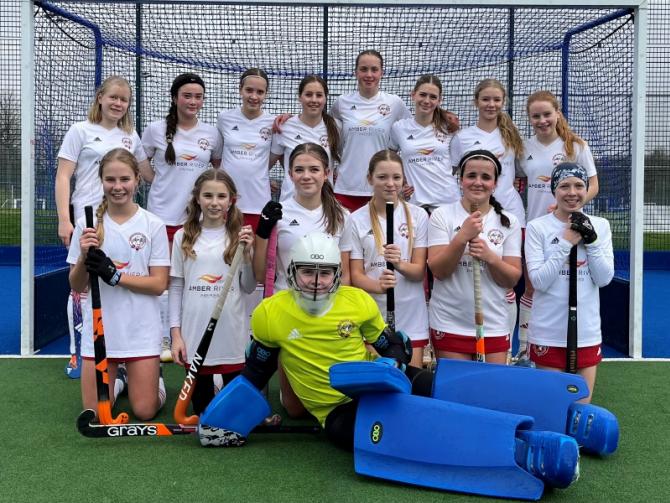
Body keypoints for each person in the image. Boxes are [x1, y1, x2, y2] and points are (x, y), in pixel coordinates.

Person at [55, 75, 148, 377]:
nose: (118, 104)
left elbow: (148, 173)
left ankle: (116, 353)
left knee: (116, 278)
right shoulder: (80, 130)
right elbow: (63, 176)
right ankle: (76, 353)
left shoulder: (131, 136)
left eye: (124, 100)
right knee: (80, 285)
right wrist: (65, 219)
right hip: (88, 218)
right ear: (100, 98)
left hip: (120, 219)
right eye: (113, 97)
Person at [67, 148, 169, 420]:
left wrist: (116, 276)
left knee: (145, 411)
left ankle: (154, 380)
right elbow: (77, 285)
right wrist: (84, 256)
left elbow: (159, 284)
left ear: (137, 179)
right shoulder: (86, 224)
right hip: (101, 331)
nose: (118, 186)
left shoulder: (153, 224)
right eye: (110, 179)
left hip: (140, 328)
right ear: (101, 181)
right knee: (96, 413)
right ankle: (121, 381)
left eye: (125, 179)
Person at [253, 142, 350, 417]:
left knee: (333, 400)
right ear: (290, 174)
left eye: (314, 169)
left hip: (327, 313)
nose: (306, 176)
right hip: (289, 311)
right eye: (299, 170)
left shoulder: (342, 216)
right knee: (295, 410)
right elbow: (260, 274)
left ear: (327, 173)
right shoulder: (278, 213)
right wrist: (262, 233)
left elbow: (345, 275)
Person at [141, 72, 223, 362]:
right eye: (187, 96)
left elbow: (216, 172)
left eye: (198, 96)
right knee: (162, 282)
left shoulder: (211, 134)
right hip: (162, 218)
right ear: (175, 98)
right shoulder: (155, 129)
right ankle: (161, 341)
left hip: (197, 222)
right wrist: (159, 182)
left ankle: (192, 339)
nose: (193, 101)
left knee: (196, 281)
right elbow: (140, 161)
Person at [516, 90, 600, 359]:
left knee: (569, 285)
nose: (542, 120)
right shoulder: (523, 148)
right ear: (529, 119)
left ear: (557, 114)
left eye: (547, 114)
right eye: (536, 116)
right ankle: (525, 349)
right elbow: (516, 181)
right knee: (533, 287)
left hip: (570, 228)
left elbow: (593, 184)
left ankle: (572, 343)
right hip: (536, 227)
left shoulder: (575, 146)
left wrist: (568, 205)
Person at [168, 169, 256, 414]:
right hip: (195, 333)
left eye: (221, 196)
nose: (214, 203)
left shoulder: (240, 236)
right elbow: (176, 287)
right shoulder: (182, 236)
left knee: (234, 413)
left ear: (231, 200)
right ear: (197, 198)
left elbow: (249, 286)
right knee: (203, 411)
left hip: (231, 335)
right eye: (208, 196)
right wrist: (176, 335)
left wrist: (247, 256)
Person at [525, 162, 612, 402]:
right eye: (564, 186)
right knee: (553, 408)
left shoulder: (601, 226)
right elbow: (539, 281)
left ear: (586, 189)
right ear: (554, 189)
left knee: (581, 411)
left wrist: (592, 241)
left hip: (587, 332)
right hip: (548, 332)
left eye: (578, 185)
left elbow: (604, 278)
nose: (572, 192)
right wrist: (565, 243)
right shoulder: (537, 227)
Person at [427, 150, 522, 365]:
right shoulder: (442, 215)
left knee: (491, 386)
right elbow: (439, 271)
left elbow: (511, 279)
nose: (478, 182)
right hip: (449, 322)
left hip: (493, 324)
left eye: (486, 177)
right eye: (471, 176)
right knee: (457, 387)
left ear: (495, 184)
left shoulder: (509, 222)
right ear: (461, 180)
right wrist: (462, 238)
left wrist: (490, 257)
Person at [450, 78, 525, 340]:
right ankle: (468, 333)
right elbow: (455, 175)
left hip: (509, 215)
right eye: (485, 99)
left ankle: (509, 344)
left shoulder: (512, 136)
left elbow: (524, 172)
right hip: (474, 214)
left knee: (506, 282)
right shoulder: (462, 137)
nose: (491, 104)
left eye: (496, 100)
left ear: (503, 102)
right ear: (476, 102)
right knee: (473, 275)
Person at [347, 150, 429, 367]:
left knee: (409, 379)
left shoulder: (418, 216)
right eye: (382, 177)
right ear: (370, 178)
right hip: (372, 316)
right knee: (377, 381)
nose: (390, 184)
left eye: (396, 177)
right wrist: (378, 286)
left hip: (410, 314)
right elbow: (356, 275)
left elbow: (419, 272)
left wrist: (399, 264)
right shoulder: (355, 219)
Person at [330, 50, 411, 211]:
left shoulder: (394, 103)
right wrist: (289, 118)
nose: (369, 75)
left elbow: (414, 129)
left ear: (382, 73)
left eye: (374, 69)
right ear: (356, 72)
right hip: (347, 188)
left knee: (384, 229)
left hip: (382, 189)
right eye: (363, 69)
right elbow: (322, 126)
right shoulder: (342, 103)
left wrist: (443, 117)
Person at [389, 74, 460, 212]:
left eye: (433, 97)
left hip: (447, 203)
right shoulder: (399, 128)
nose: (427, 101)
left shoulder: (449, 128)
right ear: (413, 95)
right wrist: (401, 182)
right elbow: (390, 158)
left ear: (439, 100)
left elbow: (455, 164)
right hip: (414, 205)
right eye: (423, 95)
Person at [216, 68, 275, 231]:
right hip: (226, 203)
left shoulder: (273, 122)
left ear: (266, 94)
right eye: (249, 90)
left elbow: (274, 157)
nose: (254, 96)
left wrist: (259, 174)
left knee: (256, 248)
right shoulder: (224, 118)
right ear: (240, 89)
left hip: (259, 203)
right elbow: (217, 158)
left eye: (260, 92)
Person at [269, 75, 341, 201]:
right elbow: (267, 164)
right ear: (300, 97)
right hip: (290, 202)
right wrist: (265, 182)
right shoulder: (284, 126)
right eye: (308, 94)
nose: (314, 100)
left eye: (319, 95)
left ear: (325, 98)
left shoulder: (337, 127)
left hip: (324, 203)